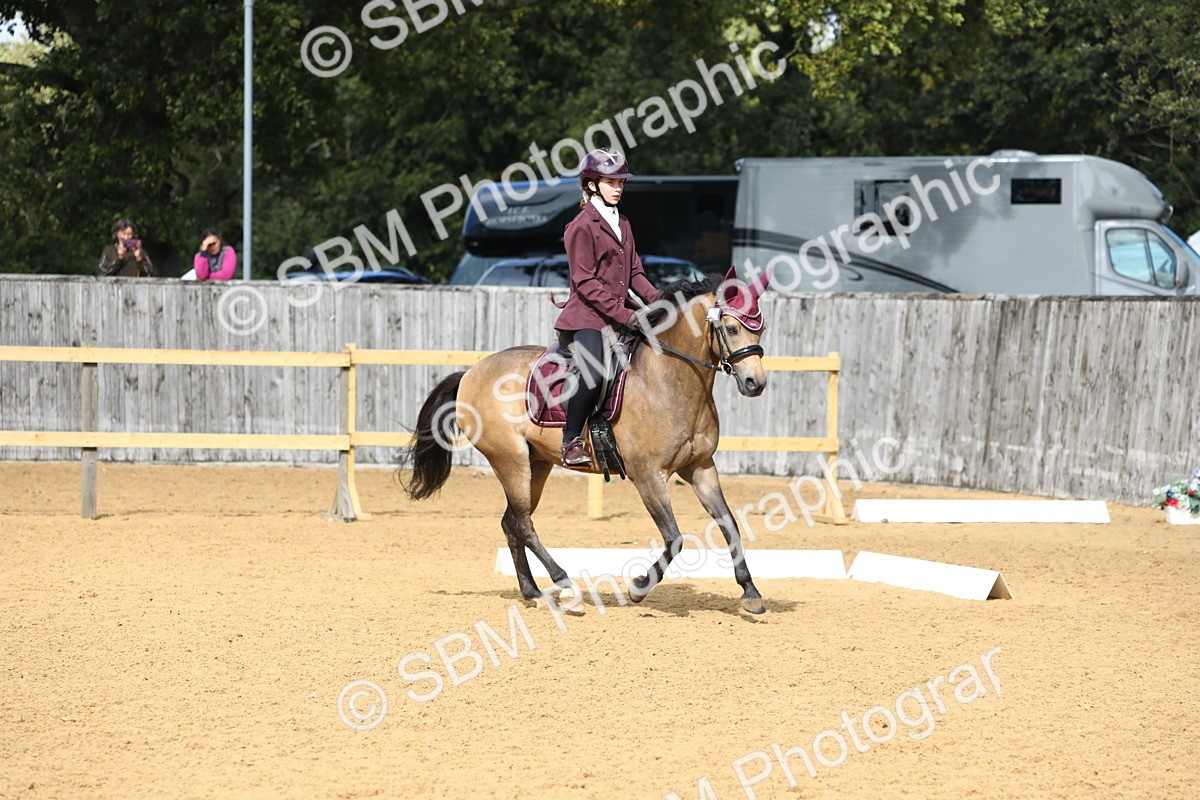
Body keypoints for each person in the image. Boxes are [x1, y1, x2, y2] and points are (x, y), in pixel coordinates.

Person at [555, 148, 663, 468]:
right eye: (611, 182)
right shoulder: (580, 226)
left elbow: (636, 275)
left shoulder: (624, 223)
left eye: (621, 182)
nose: (618, 188)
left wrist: (661, 302)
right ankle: (571, 440)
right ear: (592, 184)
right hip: (586, 317)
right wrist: (627, 316)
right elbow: (586, 284)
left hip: (620, 314)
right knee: (592, 372)